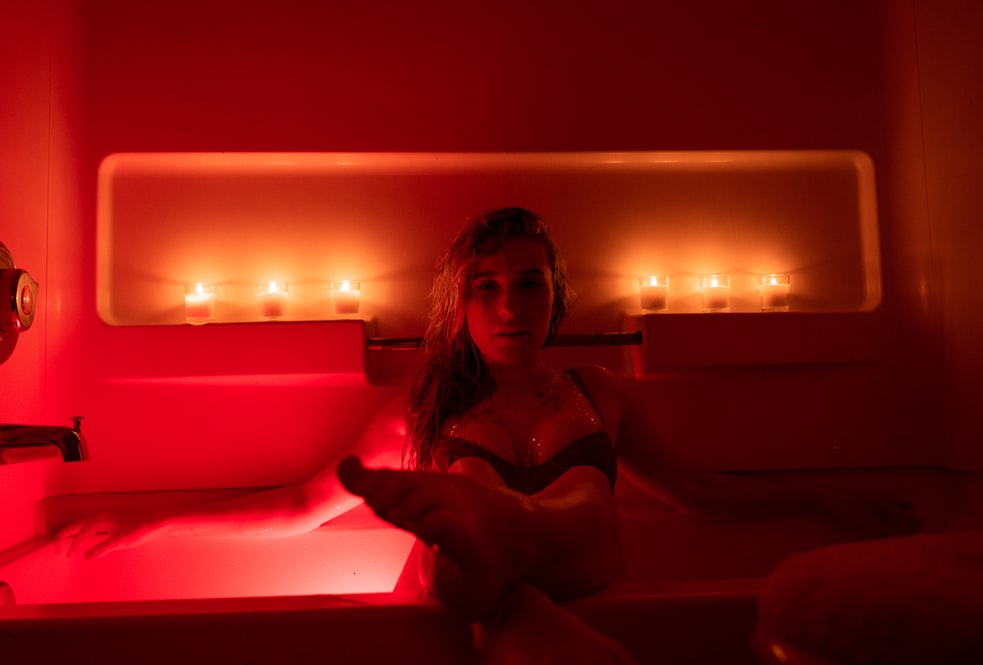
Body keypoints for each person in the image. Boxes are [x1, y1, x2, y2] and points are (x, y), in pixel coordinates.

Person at [59, 207, 918, 665]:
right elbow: (301, 507)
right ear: (459, 305)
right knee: (505, 512)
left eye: (531, 284)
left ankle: (510, 550)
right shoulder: (424, 407)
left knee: (569, 499)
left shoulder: (598, 393)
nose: (512, 307)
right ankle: (501, 543)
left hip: (523, 591)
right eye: (488, 286)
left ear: (557, 296)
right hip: (452, 598)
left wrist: (831, 497)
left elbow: (701, 493)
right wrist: (147, 524)